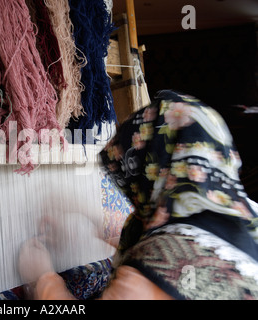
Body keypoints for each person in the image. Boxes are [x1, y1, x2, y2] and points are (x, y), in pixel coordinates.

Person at [18, 90, 258, 300]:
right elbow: (165, 233)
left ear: (150, 177)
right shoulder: (249, 221)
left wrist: (42, 279)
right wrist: (88, 217)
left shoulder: (156, 268)